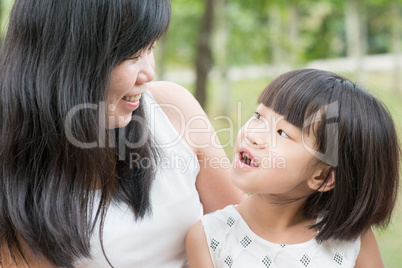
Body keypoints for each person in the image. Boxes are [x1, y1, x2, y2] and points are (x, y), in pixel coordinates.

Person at [0, 0, 244, 267]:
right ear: (68, 59)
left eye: (150, 47)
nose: (149, 73)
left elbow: (246, 235)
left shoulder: (174, 110)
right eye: (132, 55)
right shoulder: (15, 179)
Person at [186, 69, 400, 268]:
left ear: (322, 176)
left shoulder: (352, 242)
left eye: (283, 133)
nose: (253, 135)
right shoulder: (209, 236)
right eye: (259, 116)